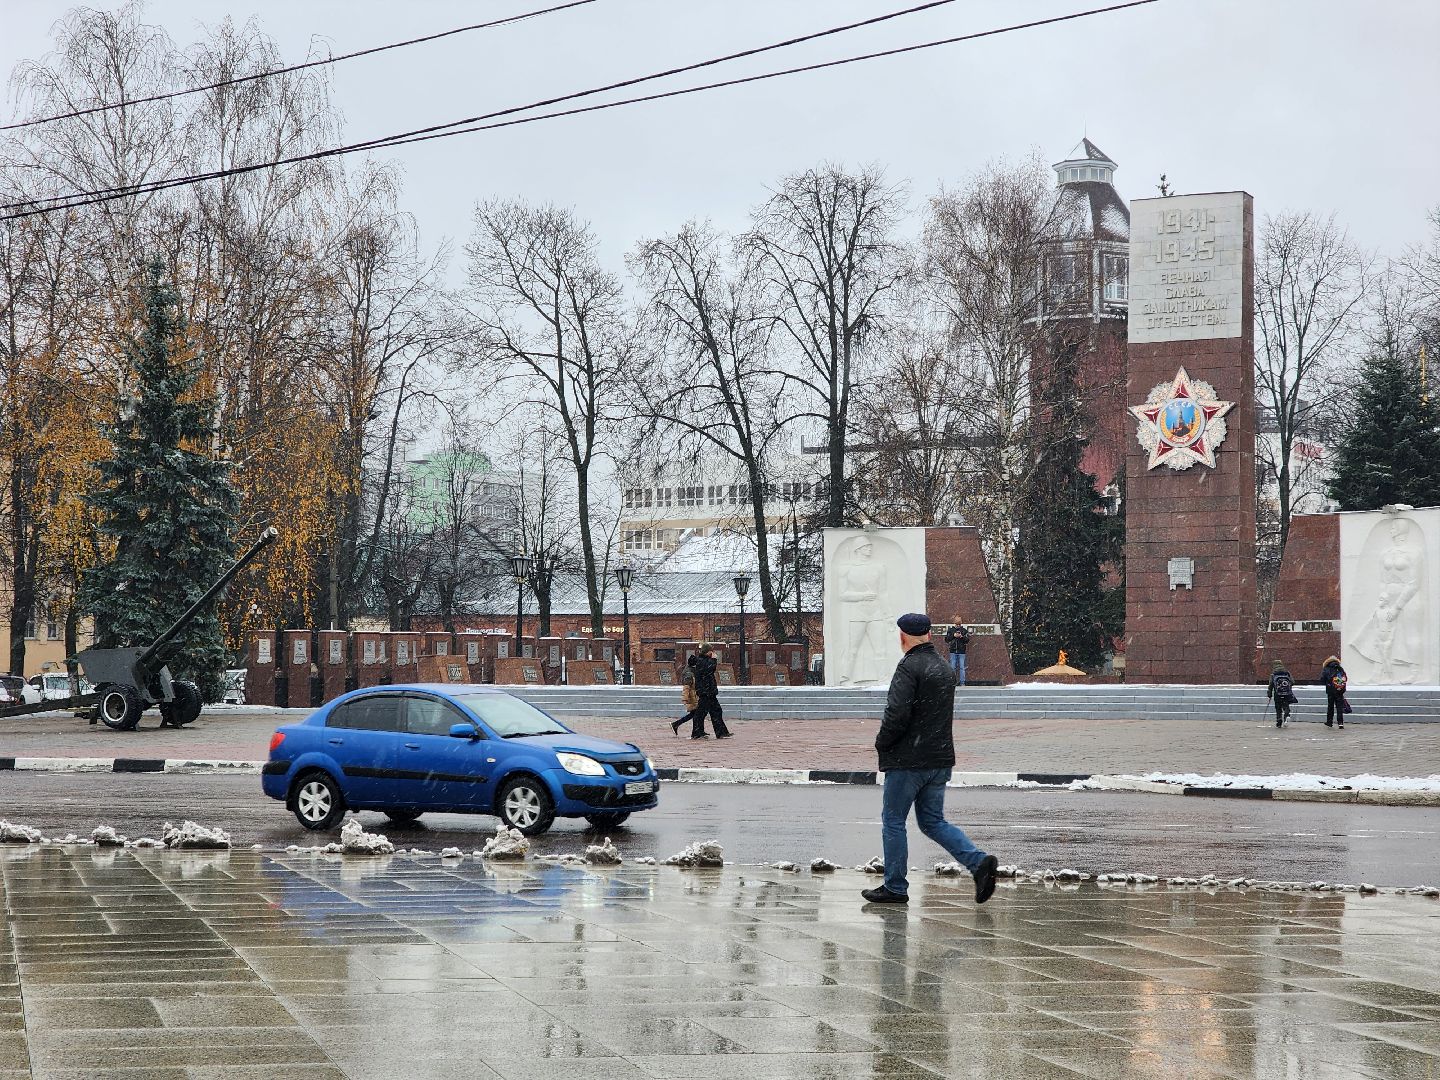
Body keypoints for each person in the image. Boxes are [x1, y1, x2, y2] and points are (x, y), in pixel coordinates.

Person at [863, 612, 999, 907]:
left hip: (908, 761)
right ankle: (979, 863)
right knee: (933, 821)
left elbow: (897, 714)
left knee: (893, 821)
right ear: (928, 634)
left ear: (903, 637)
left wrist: (882, 743)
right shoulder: (943, 667)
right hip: (939, 760)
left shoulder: (909, 667)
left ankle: (895, 887)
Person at [689, 643, 733, 740]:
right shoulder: (701, 661)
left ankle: (721, 732)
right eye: (711, 651)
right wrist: (714, 659)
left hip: (709, 691)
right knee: (701, 713)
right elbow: (710, 669)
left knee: (716, 711)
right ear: (707, 651)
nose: (712, 653)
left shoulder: (703, 660)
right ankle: (697, 733)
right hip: (705, 692)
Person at [672, 655, 701, 736]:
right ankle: (695, 732)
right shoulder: (689, 673)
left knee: (694, 714)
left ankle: (676, 724)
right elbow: (686, 687)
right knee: (695, 714)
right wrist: (685, 698)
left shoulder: (691, 670)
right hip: (692, 697)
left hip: (694, 695)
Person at [1321, 654, 1349, 729]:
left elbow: (1322, 679)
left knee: (1330, 706)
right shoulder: (1340, 668)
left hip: (1330, 690)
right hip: (1339, 690)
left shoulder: (1326, 668)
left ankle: (1329, 722)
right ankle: (1340, 723)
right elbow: (1345, 678)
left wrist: (1328, 683)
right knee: (1339, 707)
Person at [1267, 660, 1297, 728]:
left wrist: (1269, 694)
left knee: (1278, 708)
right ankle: (1287, 716)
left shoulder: (1273, 674)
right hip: (1286, 693)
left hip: (1277, 694)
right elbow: (1293, 682)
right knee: (1286, 706)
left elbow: (1270, 686)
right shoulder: (1287, 673)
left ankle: (1279, 720)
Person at [943, 619, 971, 686]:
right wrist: (953, 635)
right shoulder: (950, 630)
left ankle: (962, 683)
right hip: (953, 651)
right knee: (953, 667)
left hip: (961, 652)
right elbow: (946, 639)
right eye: (957, 624)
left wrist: (962, 636)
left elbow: (967, 640)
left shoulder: (964, 630)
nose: (958, 626)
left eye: (959, 624)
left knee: (962, 667)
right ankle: (953, 682)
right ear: (954, 624)